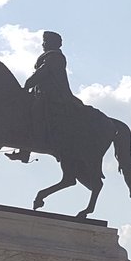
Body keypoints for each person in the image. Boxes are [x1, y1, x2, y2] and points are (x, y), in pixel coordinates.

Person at [7, 30, 85, 162]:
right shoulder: (49, 56)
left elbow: (42, 73)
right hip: (41, 93)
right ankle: (24, 150)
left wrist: (27, 84)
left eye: (45, 41)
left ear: (52, 43)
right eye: (43, 41)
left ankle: (37, 143)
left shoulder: (54, 57)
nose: (43, 44)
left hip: (53, 95)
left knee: (36, 110)